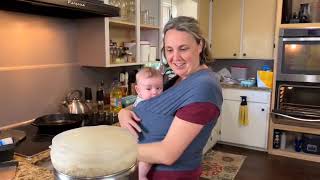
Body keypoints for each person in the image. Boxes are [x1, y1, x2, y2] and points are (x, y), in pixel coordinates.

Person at [119, 16, 223, 180]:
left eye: (183, 48)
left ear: (199, 45)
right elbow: (151, 104)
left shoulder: (204, 87)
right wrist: (124, 112)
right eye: (169, 50)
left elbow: (167, 153)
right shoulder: (179, 78)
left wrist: (116, 150)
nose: (175, 57)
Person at [133, 67, 164, 180]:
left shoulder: (153, 99)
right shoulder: (143, 102)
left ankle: (141, 176)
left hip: (149, 141)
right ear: (138, 90)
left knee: (144, 163)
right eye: (148, 88)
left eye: (158, 88)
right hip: (140, 138)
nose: (154, 92)